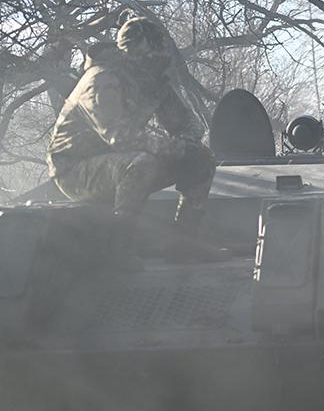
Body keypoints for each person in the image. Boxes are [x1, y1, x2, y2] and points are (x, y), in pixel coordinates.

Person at [46, 14, 216, 268]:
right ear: (134, 53)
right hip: (74, 170)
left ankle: (182, 243)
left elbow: (188, 125)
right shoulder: (102, 80)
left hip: (119, 163)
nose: (158, 59)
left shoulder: (151, 81)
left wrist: (186, 146)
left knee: (200, 159)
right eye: (152, 53)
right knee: (142, 162)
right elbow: (120, 137)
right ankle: (118, 247)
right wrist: (173, 147)